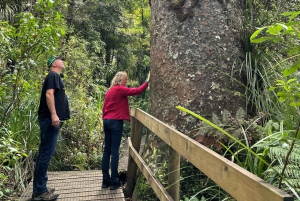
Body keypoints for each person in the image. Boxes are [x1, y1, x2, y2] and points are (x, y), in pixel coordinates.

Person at [101, 71, 150, 190]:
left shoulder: (110, 90)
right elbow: (137, 91)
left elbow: (104, 107)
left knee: (107, 151)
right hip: (115, 122)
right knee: (114, 151)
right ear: (119, 80)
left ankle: (105, 181)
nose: (126, 81)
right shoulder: (119, 89)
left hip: (106, 120)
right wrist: (147, 82)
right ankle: (114, 182)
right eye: (125, 79)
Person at [32, 56, 70, 201]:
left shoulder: (54, 76)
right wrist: (54, 115)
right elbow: (49, 94)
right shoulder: (53, 75)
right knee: (46, 154)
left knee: (44, 154)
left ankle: (40, 187)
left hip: (49, 120)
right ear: (54, 64)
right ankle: (40, 191)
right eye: (60, 60)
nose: (63, 61)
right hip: (49, 120)